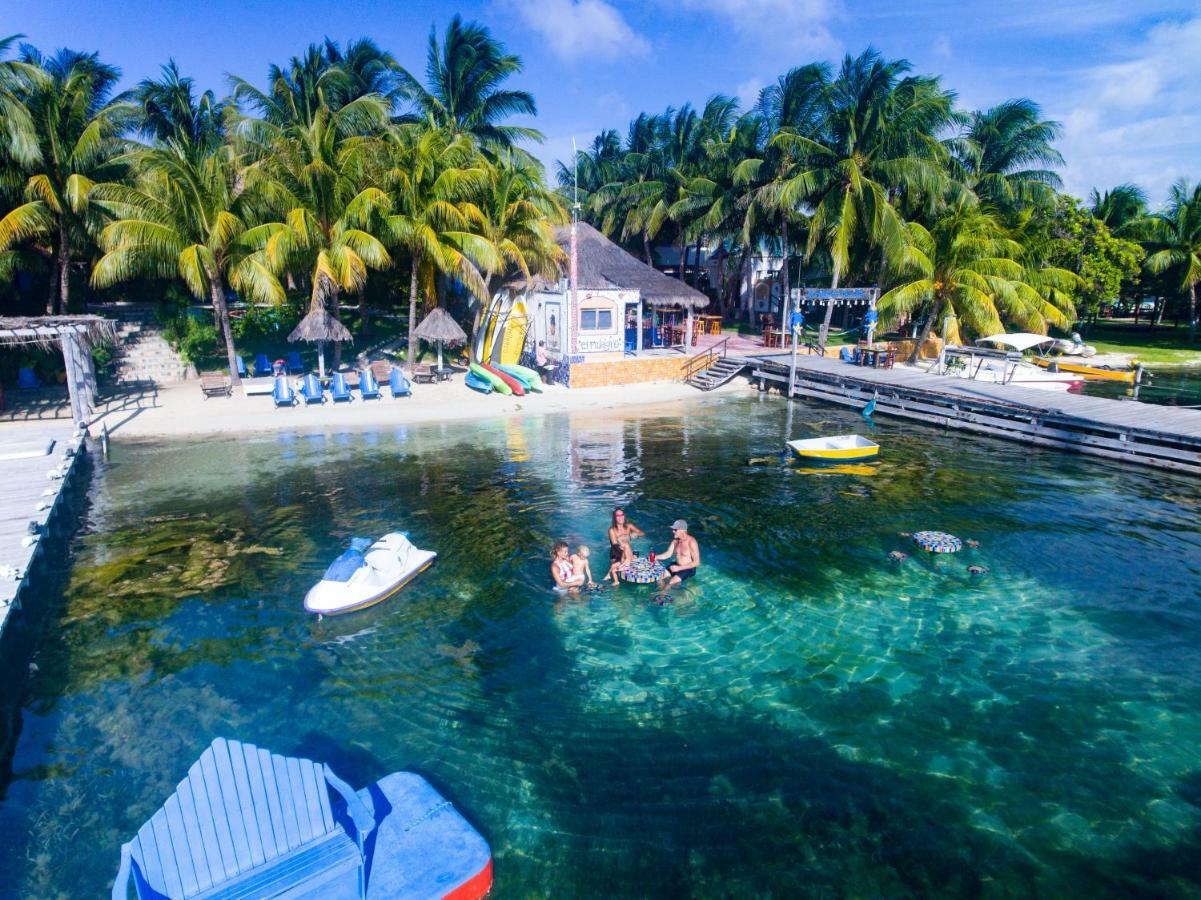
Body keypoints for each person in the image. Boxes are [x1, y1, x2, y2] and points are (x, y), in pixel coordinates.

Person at [606, 508, 645, 585]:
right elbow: (615, 545)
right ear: (614, 518)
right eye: (618, 515)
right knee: (616, 570)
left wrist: (636, 534)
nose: (620, 517)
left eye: (622, 515)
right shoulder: (612, 530)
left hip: (627, 551)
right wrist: (627, 557)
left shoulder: (629, 526)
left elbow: (642, 533)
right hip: (616, 553)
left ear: (624, 516)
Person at [657, 519, 700, 586]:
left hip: (688, 569)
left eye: (675, 530)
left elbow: (697, 562)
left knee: (671, 583)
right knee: (659, 578)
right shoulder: (675, 541)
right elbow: (667, 554)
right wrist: (655, 557)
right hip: (676, 565)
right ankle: (659, 594)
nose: (673, 531)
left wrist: (679, 568)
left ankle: (664, 595)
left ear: (683, 530)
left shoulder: (691, 542)